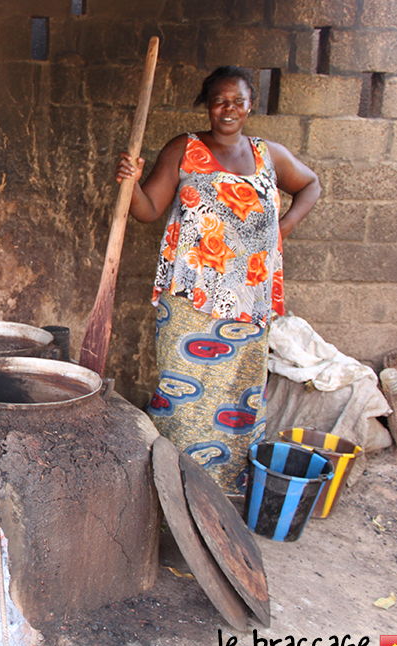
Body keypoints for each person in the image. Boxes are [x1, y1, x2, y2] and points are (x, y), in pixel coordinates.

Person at [116, 66, 320, 495]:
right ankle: (172, 491)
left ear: (251, 105)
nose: (228, 109)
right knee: (184, 390)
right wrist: (131, 184)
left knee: (238, 393)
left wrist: (282, 229)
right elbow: (149, 209)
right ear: (207, 105)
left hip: (249, 299)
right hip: (193, 297)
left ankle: (225, 491)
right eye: (219, 100)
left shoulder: (269, 155)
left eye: (238, 101)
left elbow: (310, 185)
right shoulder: (184, 150)